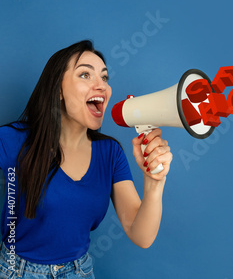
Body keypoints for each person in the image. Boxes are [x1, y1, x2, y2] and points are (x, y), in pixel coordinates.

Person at [0, 40, 172, 278]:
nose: (101, 85)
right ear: (58, 89)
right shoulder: (13, 141)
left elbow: (141, 235)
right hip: (16, 272)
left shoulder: (110, 153)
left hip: (78, 272)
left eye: (104, 77)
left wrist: (154, 182)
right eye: (85, 75)